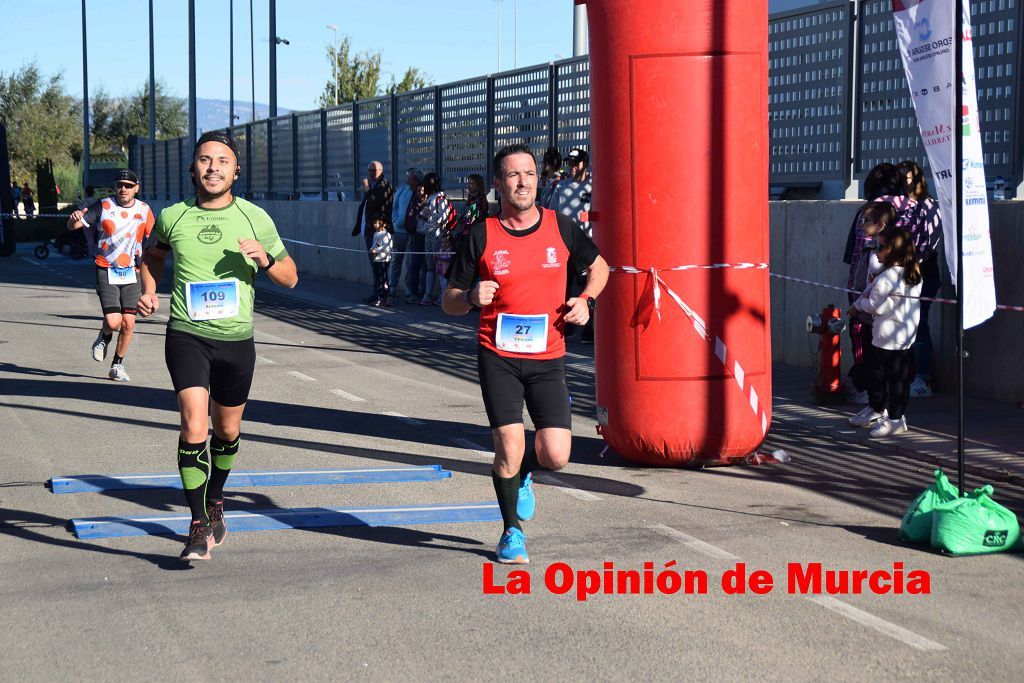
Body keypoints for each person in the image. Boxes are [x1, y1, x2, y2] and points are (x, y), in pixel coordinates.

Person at [442, 143, 609, 564]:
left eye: (529, 174)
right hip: (497, 354)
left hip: (548, 355)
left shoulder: (562, 227)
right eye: (513, 175)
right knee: (508, 446)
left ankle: (526, 475)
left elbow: (601, 267)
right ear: (499, 184)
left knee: (557, 454)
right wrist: (472, 297)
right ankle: (511, 531)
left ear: (538, 179)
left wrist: (586, 300)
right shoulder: (481, 234)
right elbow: (450, 299)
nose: (523, 182)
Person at [138, 131, 298, 561]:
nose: (213, 167)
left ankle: (215, 499)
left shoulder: (254, 219)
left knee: (226, 431)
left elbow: (291, 276)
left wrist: (263, 260)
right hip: (187, 334)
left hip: (235, 342)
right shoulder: (172, 215)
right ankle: (196, 525)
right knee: (193, 425)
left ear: (236, 171)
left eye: (222, 161)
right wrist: (150, 289)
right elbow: (153, 255)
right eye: (205, 160)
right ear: (193, 168)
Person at [66, 169, 155, 382]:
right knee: (114, 322)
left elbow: (154, 239)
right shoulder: (104, 206)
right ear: (114, 187)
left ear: (136, 188)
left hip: (131, 271)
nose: (123, 189)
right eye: (119, 185)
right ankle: (105, 334)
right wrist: (73, 219)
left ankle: (117, 365)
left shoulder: (144, 210)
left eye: (128, 185)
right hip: (106, 268)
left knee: (129, 323)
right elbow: (74, 225)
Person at [848, 227, 923, 437]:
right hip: (905, 337)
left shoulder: (887, 278)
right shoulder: (912, 273)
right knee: (894, 378)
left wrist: (859, 304)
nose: (876, 251)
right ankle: (887, 414)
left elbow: (876, 306)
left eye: (879, 247)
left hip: (887, 338)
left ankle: (895, 419)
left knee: (891, 379)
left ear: (893, 251)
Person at [897, 160, 943, 398]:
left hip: (923, 273)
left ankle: (923, 378)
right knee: (907, 325)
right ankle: (911, 374)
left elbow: (927, 243)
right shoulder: (899, 204)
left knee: (919, 324)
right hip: (903, 273)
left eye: (906, 177)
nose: (902, 181)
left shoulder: (927, 205)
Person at [547, 148, 595, 343]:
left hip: (588, 243)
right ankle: (564, 326)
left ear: (585, 164)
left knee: (588, 287)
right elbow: (552, 212)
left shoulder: (594, 185)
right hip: (565, 244)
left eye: (576, 164)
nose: (572, 168)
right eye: (570, 164)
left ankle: (589, 329)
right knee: (563, 286)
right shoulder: (561, 186)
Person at [351, 160, 393, 304]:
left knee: (380, 265)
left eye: (373, 170)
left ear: (381, 171)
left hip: (379, 232)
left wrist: (367, 189)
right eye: (369, 170)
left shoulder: (384, 186)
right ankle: (377, 293)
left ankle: (382, 294)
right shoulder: (375, 185)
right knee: (374, 265)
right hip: (369, 230)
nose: (370, 173)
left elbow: (375, 203)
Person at [417, 172, 452, 306]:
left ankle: (443, 296)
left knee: (441, 267)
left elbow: (444, 216)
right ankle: (428, 295)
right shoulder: (431, 197)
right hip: (429, 234)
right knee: (430, 266)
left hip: (438, 234)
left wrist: (428, 217)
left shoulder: (440, 197)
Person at [389, 167, 423, 301]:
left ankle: (410, 290)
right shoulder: (402, 191)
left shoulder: (420, 193)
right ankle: (392, 286)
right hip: (399, 231)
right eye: (408, 177)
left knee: (410, 263)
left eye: (411, 178)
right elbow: (394, 207)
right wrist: (395, 220)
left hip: (413, 233)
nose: (408, 180)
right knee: (396, 259)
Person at [404, 183, 428, 303]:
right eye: (418, 191)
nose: (421, 194)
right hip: (416, 237)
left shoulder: (430, 203)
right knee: (414, 265)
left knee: (426, 266)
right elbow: (408, 220)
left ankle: (422, 291)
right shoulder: (413, 204)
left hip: (427, 236)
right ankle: (412, 292)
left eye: (423, 191)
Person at [369, 216, 393, 306]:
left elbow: (386, 246)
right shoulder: (376, 234)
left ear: (384, 224)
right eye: (374, 223)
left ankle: (387, 297)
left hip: (384, 260)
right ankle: (380, 297)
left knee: (383, 279)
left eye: (378, 223)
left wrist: (377, 250)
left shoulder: (386, 234)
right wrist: (372, 249)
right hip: (377, 259)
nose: (375, 225)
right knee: (378, 279)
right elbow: (374, 243)